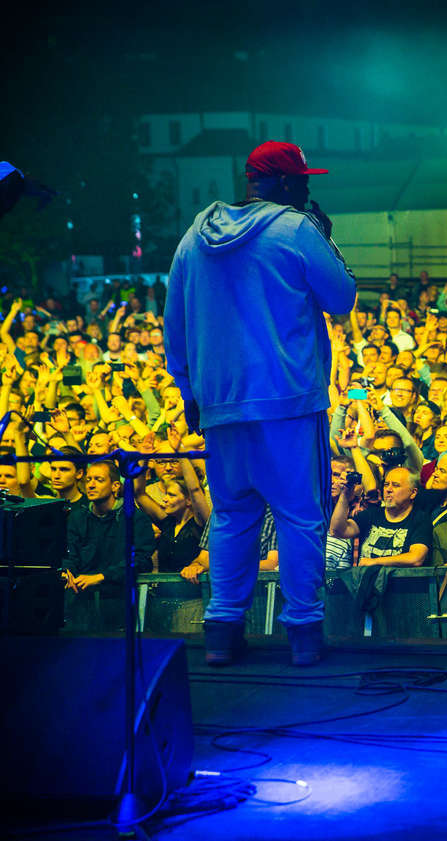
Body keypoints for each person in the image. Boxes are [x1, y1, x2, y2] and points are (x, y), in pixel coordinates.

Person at [165, 140, 357, 666]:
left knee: (232, 516)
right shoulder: (296, 228)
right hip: (289, 402)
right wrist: (324, 236)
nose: (308, 190)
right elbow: (342, 298)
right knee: (300, 517)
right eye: (304, 181)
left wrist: (189, 392)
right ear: (286, 183)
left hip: (220, 404)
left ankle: (222, 632)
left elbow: (174, 325)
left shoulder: (193, 238)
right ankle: (304, 635)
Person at [63, 460, 158, 631]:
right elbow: (70, 553)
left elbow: (142, 560)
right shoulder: (78, 518)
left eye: (98, 480)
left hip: (120, 604)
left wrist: (102, 576)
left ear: (115, 486)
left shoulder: (134, 518)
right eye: (88, 480)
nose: (91, 485)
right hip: (83, 606)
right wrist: (67, 569)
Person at [331, 466, 433, 568]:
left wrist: (374, 562)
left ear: (413, 493)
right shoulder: (371, 514)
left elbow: (416, 558)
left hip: (399, 579)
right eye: (386, 485)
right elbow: (337, 531)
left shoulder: (420, 519)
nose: (388, 489)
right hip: (367, 578)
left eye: (396, 485)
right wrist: (344, 496)